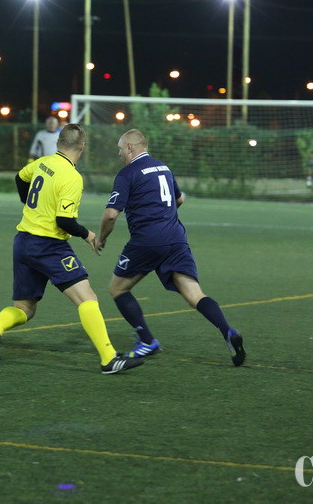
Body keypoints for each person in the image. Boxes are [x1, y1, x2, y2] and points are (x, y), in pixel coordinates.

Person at [0, 123, 144, 374]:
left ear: (58, 143)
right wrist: (88, 234)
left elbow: (20, 178)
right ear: (83, 146)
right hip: (49, 246)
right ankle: (109, 359)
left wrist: (28, 203)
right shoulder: (71, 177)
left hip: (23, 242)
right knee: (87, 299)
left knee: (24, 307)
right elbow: (64, 221)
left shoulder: (42, 163)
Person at [95, 128, 246, 367]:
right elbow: (179, 199)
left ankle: (147, 341)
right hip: (176, 238)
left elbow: (111, 214)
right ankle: (228, 331)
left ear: (131, 147)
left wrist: (101, 238)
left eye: (120, 149)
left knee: (117, 289)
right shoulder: (163, 167)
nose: (119, 154)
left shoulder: (128, 173)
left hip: (147, 240)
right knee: (195, 294)